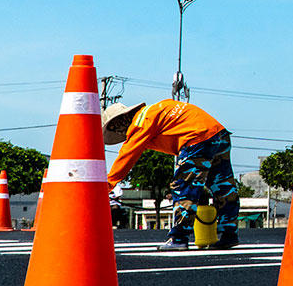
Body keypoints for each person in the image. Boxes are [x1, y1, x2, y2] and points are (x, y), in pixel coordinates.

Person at [103, 99, 240, 251]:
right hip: (218, 134)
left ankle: (179, 238)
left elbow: (127, 155)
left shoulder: (140, 122)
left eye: (115, 128)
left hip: (196, 138)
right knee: (223, 186)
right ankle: (229, 234)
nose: (120, 133)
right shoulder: (153, 112)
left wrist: (108, 184)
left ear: (121, 121)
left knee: (184, 187)